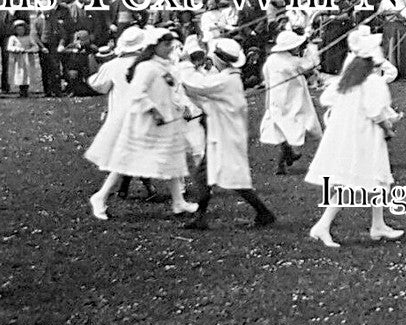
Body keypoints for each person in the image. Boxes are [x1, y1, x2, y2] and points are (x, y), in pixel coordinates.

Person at [86, 28, 198, 220]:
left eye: (171, 44)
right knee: (127, 161)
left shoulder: (163, 65)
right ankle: (100, 196)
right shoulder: (146, 67)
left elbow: (172, 90)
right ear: (154, 46)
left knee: (171, 157)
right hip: (146, 121)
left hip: (167, 120)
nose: (170, 48)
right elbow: (137, 93)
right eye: (165, 44)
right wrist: (154, 111)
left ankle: (178, 201)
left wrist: (183, 107)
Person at [305, 33, 404, 247]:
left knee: (377, 179)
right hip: (365, 136)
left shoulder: (347, 79)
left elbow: (326, 99)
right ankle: (322, 225)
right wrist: (389, 127)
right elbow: (376, 112)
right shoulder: (373, 82)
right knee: (352, 181)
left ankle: (378, 225)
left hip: (349, 134)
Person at [180, 38, 277, 230]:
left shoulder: (226, 80)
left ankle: (264, 213)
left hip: (226, 135)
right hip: (221, 131)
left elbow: (197, 85)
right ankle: (200, 217)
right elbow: (202, 94)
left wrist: (185, 66)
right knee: (205, 174)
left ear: (219, 60)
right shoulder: (228, 78)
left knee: (233, 178)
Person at [84, 27, 157, 209]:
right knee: (138, 151)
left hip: (120, 115)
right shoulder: (149, 65)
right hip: (143, 113)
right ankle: (137, 188)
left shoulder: (112, 66)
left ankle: (129, 187)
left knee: (130, 152)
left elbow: (98, 84)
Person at [259, 29, 322, 175]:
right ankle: (292, 152)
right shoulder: (293, 61)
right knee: (299, 123)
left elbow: (266, 75)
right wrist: (312, 47)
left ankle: (284, 161)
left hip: (276, 99)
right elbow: (311, 64)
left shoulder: (271, 60)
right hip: (293, 99)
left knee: (280, 128)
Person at [6, 19, 42, 97]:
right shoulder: (13, 38)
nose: (20, 31)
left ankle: (26, 89)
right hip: (18, 59)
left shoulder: (28, 38)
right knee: (19, 73)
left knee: (27, 74)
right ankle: (21, 89)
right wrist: (17, 49)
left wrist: (30, 50)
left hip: (28, 59)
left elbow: (35, 47)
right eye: (18, 29)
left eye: (22, 29)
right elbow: (9, 47)